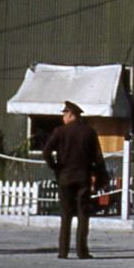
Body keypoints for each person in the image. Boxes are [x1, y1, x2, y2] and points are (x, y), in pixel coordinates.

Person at [43, 100, 103, 259]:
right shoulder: (89, 132)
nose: (63, 116)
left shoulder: (59, 131)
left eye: (64, 113)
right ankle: (82, 251)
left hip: (65, 177)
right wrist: (99, 176)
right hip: (83, 177)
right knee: (83, 214)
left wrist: (55, 167)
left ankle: (63, 251)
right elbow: (98, 157)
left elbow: (46, 152)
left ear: (71, 115)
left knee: (66, 214)